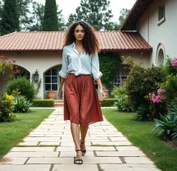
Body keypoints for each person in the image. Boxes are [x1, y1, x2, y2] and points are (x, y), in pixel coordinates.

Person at [58, 21, 105, 165]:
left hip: (87, 84)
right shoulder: (67, 49)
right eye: (77, 31)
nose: (79, 33)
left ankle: (82, 141)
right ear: (73, 33)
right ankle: (77, 149)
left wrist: (101, 88)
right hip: (71, 83)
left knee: (84, 116)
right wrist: (60, 88)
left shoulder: (91, 49)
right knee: (74, 115)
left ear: (86, 33)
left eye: (82, 31)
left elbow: (95, 70)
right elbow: (65, 70)